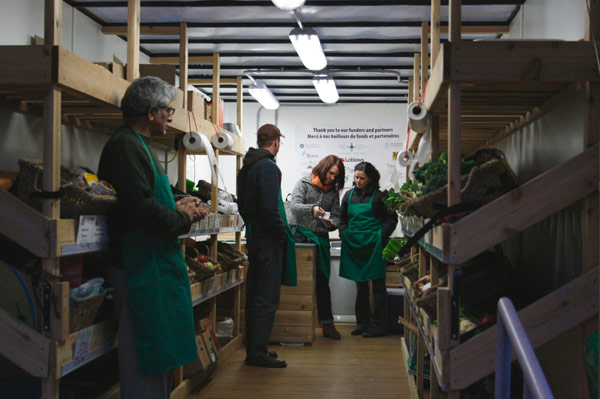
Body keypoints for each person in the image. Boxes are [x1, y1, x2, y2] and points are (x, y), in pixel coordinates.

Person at [97, 76, 208, 399]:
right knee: (141, 350)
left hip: (151, 263)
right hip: (137, 267)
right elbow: (141, 209)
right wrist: (181, 216)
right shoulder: (125, 146)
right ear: (150, 112)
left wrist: (176, 203)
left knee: (156, 348)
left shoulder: (139, 144)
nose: (170, 117)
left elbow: (145, 199)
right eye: (168, 110)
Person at [237, 123, 296, 368]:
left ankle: (255, 349)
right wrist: (283, 235)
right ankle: (257, 354)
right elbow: (271, 209)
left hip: (255, 238)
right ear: (276, 142)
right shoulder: (268, 168)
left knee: (255, 295)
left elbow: (244, 206)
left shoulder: (247, 167)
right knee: (267, 298)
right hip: (269, 242)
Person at [339, 162, 398, 338]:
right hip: (355, 247)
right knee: (361, 286)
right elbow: (342, 219)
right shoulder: (348, 196)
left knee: (378, 286)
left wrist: (381, 236)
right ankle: (362, 323)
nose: (358, 181)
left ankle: (379, 325)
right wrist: (344, 233)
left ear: (370, 178)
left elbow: (392, 219)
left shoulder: (381, 197)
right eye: (356, 177)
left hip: (374, 246)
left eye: (362, 178)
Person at [289, 155, 345, 339]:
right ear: (324, 168)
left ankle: (327, 323)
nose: (332, 179)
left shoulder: (333, 192)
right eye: (331, 173)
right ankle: (295, 323)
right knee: (299, 280)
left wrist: (332, 224)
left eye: (336, 176)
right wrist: (312, 208)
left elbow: (336, 215)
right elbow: (294, 206)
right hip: (300, 235)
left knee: (322, 281)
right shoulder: (304, 183)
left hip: (321, 238)